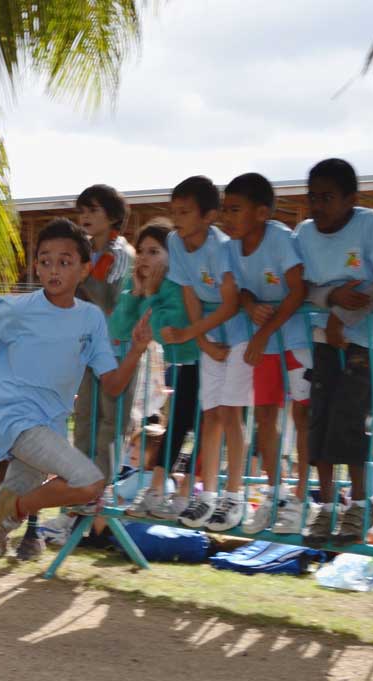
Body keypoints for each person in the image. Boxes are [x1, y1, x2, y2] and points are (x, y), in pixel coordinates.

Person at [0, 218, 153, 625]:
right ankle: (18, 506)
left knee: (0, 522)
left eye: (65, 261)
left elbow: (112, 384)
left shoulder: (91, 320)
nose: (54, 270)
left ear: (84, 268)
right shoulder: (18, 308)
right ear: (37, 268)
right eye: (46, 261)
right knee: (90, 483)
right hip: (14, 419)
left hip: (49, 426)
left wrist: (136, 349)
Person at [295, 159, 373, 546]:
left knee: (350, 420)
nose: (318, 206)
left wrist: (342, 315)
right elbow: (300, 285)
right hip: (323, 337)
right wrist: (332, 298)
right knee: (319, 420)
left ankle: (357, 505)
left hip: (370, 341)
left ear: (351, 199)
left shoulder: (372, 225)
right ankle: (324, 508)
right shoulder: (303, 233)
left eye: (327, 197)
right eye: (313, 197)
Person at [217, 173, 312, 535]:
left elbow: (297, 290)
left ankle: (302, 499)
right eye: (225, 209)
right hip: (265, 345)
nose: (227, 217)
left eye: (235, 209)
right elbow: (238, 291)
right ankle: (275, 494)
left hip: (294, 340)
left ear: (261, 212)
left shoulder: (281, 239)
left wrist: (264, 333)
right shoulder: (229, 247)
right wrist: (250, 302)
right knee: (265, 418)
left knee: (303, 417)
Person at [160, 176, 250, 532]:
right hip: (209, 335)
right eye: (174, 211)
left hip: (239, 331)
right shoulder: (175, 242)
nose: (177, 219)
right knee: (210, 414)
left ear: (209, 216)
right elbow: (190, 295)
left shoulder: (223, 248)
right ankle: (208, 495)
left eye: (184, 212)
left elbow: (230, 304)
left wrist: (189, 334)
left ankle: (234, 495)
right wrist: (202, 341)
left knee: (231, 414)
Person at [117, 219, 201, 521]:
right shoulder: (138, 283)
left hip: (207, 357)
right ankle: (155, 491)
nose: (143, 258)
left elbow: (167, 328)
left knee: (199, 426)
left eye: (154, 251)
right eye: (140, 251)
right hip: (183, 362)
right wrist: (137, 293)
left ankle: (184, 495)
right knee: (177, 422)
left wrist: (150, 293)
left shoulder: (178, 283)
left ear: (171, 255)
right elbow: (120, 329)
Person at [73, 184, 136, 481]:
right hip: (89, 347)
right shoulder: (84, 251)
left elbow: (108, 300)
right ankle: (78, 485)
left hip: (117, 348)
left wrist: (81, 277)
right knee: (84, 417)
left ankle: (99, 489)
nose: (85, 216)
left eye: (93, 210)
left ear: (112, 216)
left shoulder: (121, 252)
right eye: (82, 210)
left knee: (111, 422)